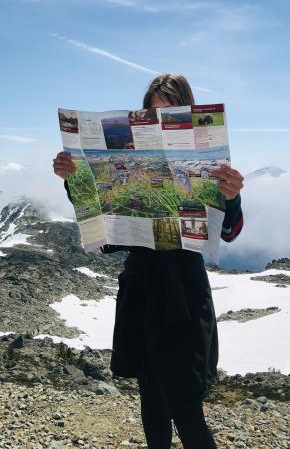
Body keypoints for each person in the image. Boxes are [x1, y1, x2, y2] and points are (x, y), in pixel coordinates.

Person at [53, 73, 244, 449]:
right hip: (141, 288)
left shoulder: (209, 164)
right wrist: (73, 180)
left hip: (185, 293)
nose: (161, 116)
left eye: (170, 110)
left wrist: (232, 196)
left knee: (187, 403)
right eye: (154, 110)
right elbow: (106, 232)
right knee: (151, 398)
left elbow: (229, 232)